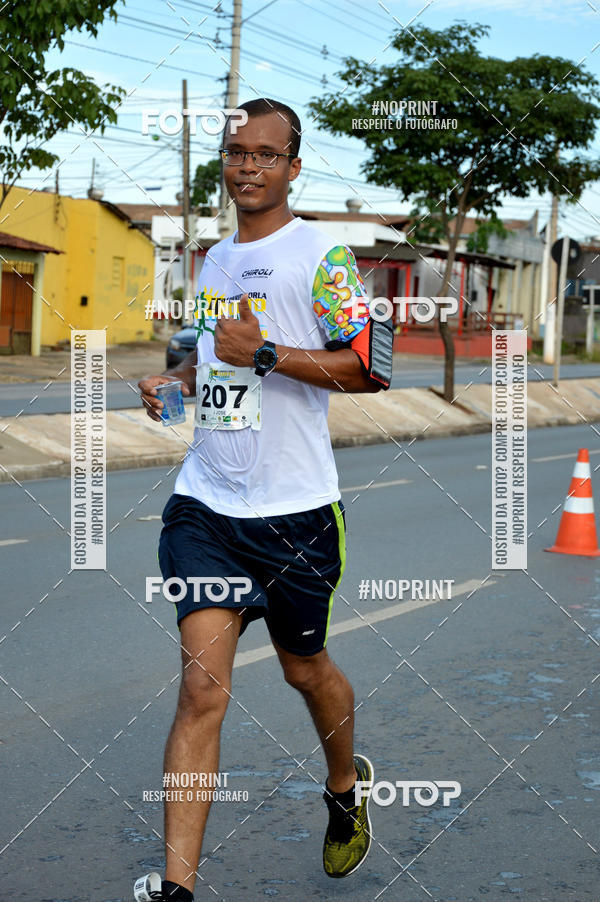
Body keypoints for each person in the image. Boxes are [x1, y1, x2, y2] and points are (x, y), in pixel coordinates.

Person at [135, 97, 393, 902]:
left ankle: (345, 790)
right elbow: (215, 362)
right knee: (202, 688)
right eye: (235, 151)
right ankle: (178, 888)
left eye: (264, 154)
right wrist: (171, 383)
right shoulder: (212, 261)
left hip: (296, 516)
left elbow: (372, 366)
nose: (247, 165)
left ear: (293, 166)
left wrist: (275, 352)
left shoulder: (324, 255)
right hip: (206, 507)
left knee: (303, 668)